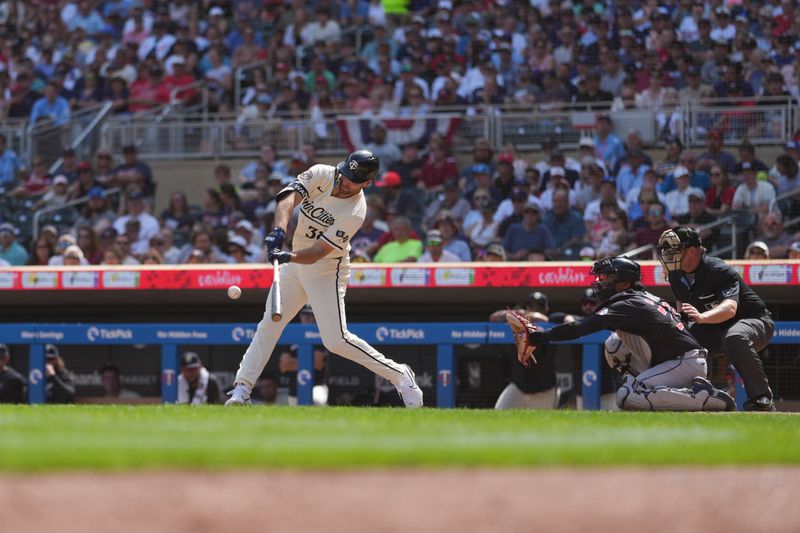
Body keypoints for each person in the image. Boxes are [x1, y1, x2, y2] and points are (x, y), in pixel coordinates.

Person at [225, 150, 422, 408]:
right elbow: (288, 197)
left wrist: (288, 256)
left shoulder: (356, 211)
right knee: (269, 324)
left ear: (367, 183)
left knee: (336, 340)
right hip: (295, 262)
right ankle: (242, 389)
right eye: (344, 174)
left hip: (327, 269)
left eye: (352, 180)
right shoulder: (322, 173)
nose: (343, 181)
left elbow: (319, 252)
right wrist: (279, 231)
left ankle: (400, 374)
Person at [508, 257, 735, 411]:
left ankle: (704, 397)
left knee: (626, 396)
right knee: (614, 345)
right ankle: (657, 392)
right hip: (672, 361)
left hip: (683, 363)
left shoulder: (626, 302)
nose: (600, 282)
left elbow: (581, 328)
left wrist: (545, 336)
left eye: (607, 278)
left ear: (624, 282)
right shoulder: (638, 296)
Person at [657, 227, 775, 411]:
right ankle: (694, 395)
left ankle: (762, 399)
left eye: (676, 250)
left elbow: (730, 309)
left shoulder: (718, 269)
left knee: (734, 337)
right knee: (681, 341)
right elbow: (682, 310)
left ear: (693, 250)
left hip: (755, 321)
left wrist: (702, 317)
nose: (670, 255)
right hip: (714, 327)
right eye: (668, 251)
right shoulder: (675, 275)